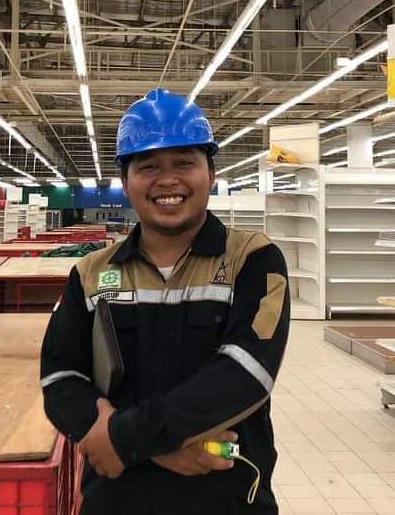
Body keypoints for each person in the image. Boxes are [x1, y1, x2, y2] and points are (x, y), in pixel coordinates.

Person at [40, 88, 290, 514]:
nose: (167, 179)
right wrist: (157, 448)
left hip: (225, 494)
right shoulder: (90, 274)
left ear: (211, 174)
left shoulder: (253, 260)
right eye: (148, 166)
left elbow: (245, 373)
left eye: (184, 163)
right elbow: (60, 377)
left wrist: (124, 440)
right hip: (117, 499)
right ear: (126, 182)